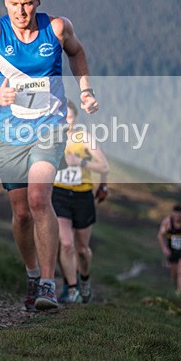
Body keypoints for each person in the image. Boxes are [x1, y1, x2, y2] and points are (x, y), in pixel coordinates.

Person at [0, 0, 98, 311]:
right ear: (5, 4)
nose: (20, 11)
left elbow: (77, 53)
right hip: (10, 132)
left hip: (49, 127)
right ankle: (33, 273)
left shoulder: (56, 28)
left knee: (40, 200)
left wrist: (85, 90)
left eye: (26, 4)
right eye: (13, 5)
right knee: (21, 213)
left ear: (37, 1)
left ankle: (49, 285)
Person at [53, 100, 109, 304]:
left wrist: (80, 162)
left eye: (69, 117)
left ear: (75, 118)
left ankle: (84, 279)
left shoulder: (84, 138)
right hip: (59, 193)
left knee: (82, 249)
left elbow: (104, 166)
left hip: (83, 195)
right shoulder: (52, 137)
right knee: (66, 243)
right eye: (62, 116)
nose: (66, 121)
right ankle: (73, 288)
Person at [157, 203, 181, 297]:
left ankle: (180, 292)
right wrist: (164, 248)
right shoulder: (167, 222)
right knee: (174, 273)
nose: (177, 217)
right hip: (172, 250)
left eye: (180, 214)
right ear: (173, 214)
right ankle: (176, 288)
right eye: (176, 214)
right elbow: (160, 236)